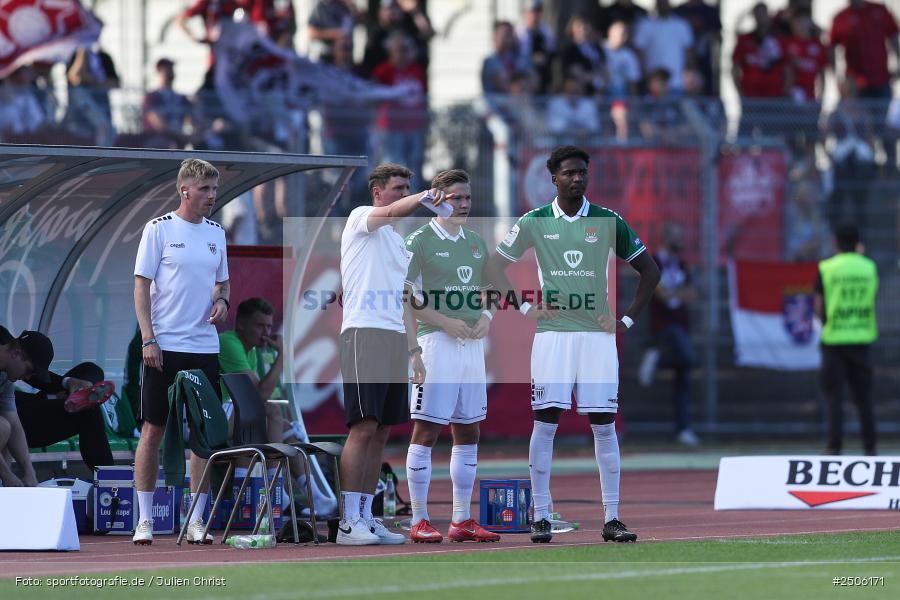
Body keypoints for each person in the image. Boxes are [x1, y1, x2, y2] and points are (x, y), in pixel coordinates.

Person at [487, 146, 660, 544]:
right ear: (554, 178)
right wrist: (528, 308)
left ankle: (613, 518)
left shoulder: (607, 220)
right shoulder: (534, 221)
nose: (577, 179)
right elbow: (495, 267)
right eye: (569, 173)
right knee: (546, 423)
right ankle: (541, 516)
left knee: (603, 425)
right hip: (554, 337)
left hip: (598, 339)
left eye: (582, 172)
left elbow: (650, 271)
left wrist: (626, 320)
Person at [337, 163, 448, 545]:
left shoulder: (400, 244)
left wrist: (414, 350)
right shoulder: (361, 218)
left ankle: (367, 516)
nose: (403, 194)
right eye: (397, 188)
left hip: (393, 337)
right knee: (363, 426)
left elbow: (407, 301)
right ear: (378, 192)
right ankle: (348, 521)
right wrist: (425, 197)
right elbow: (393, 212)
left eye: (407, 188)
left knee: (382, 430)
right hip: (362, 333)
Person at [131, 159, 230, 545]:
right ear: (184, 189)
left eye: (214, 190)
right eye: (205, 189)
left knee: (203, 436)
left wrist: (222, 303)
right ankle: (144, 520)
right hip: (165, 345)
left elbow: (223, 285)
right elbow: (141, 287)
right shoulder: (158, 230)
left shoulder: (217, 234)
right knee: (153, 429)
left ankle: (196, 519)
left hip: (204, 347)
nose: (211, 197)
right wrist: (148, 338)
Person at [403, 169, 500, 544]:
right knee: (427, 428)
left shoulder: (475, 241)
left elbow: (490, 289)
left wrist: (487, 319)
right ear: (437, 199)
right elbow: (405, 295)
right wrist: (443, 321)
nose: (462, 205)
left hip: (471, 347)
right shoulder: (419, 240)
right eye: (455, 198)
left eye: (467, 198)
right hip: (436, 344)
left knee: (469, 428)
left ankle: (461, 519)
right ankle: (419, 519)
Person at [218, 297, 338, 516]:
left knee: (287, 431)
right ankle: (276, 491)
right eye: (259, 325)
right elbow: (260, 395)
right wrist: (282, 355)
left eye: (269, 326)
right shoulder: (229, 342)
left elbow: (257, 395)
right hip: (214, 415)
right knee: (271, 411)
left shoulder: (251, 350)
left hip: (234, 413)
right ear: (242, 324)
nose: (266, 332)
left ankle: (317, 499)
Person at [814, 225, 879, 455]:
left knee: (834, 399)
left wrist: (825, 322)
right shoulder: (869, 267)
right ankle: (870, 450)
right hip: (861, 338)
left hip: (834, 340)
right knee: (864, 399)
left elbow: (819, 306)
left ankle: (834, 448)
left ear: (835, 242)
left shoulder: (827, 268)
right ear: (858, 243)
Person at [637, 223, 699, 446]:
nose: (681, 241)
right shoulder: (655, 261)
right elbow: (661, 294)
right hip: (663, 325)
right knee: (690, 359)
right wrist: (677, 294)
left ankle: (683, 428)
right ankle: (656, 357)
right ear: (666, 237)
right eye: (676, 236)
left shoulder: (682, 264)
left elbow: (692, 294)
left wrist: (677, 294)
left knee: (684, 372)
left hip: (682, 324)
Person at [0, 329, 53, 487]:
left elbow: (15, 424)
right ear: (16, 353)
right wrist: (7, 475)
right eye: (30, 370)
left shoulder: (5, 377)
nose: (28, 377)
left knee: (7, 428)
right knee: (2, 427)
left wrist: (30, 472)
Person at [631, 0, 694, 93]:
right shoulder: (645, 25)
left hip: (677, 83)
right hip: (653, 84)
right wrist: (644, 74)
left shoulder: (681, 25)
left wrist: (689, 74)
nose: (663, 4)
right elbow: (638, 51)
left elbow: (689, 51)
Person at [143, 58, 195, 149]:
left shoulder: (181, 98)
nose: (170, 72)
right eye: (166, 69)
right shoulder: (152, 96)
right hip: (157, 140)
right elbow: (158, 123)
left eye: (171, 69)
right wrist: (181, 136)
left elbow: (193, 119)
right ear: (159, 71)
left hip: (178, 140)